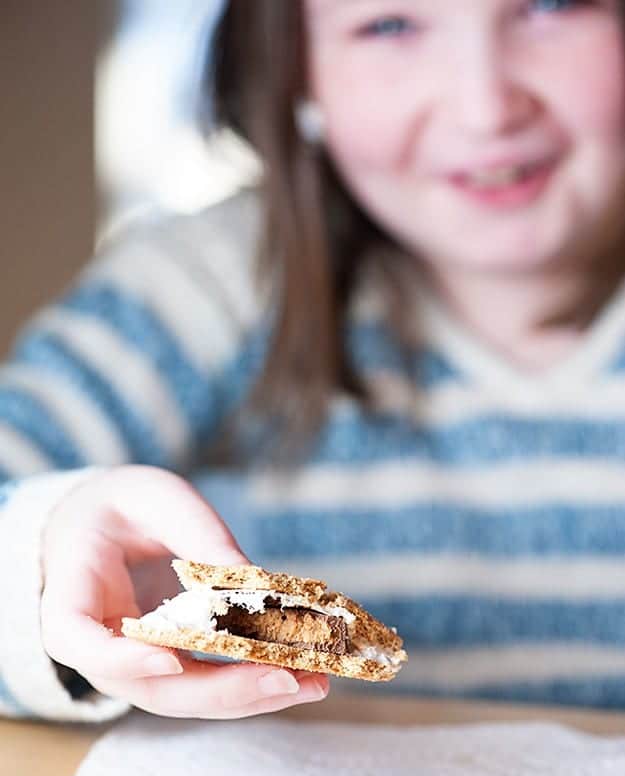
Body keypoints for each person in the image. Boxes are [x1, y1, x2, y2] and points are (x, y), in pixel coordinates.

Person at [2, 0, 625, 723]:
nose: (484, 108)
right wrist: (45, 558)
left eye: (551, 4)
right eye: (388, 26)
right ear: (293, 69)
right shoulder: (215, 280)